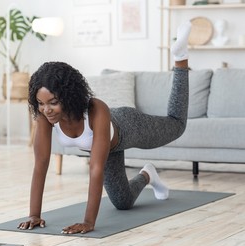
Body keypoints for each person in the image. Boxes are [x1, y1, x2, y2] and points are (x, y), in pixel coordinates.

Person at [18, 21, 192, 234]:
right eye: (41, 103)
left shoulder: (95, 109)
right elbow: (40, 164)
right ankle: (148, 175)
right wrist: (34, 214)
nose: (46, 110)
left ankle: (180, 58)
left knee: (177, 125)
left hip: (129, 127)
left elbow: (96, 168)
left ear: (68, 95)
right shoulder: (45, 116)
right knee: (123, 202)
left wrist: (89, 222)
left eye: (53, 102)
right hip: (107, 147)